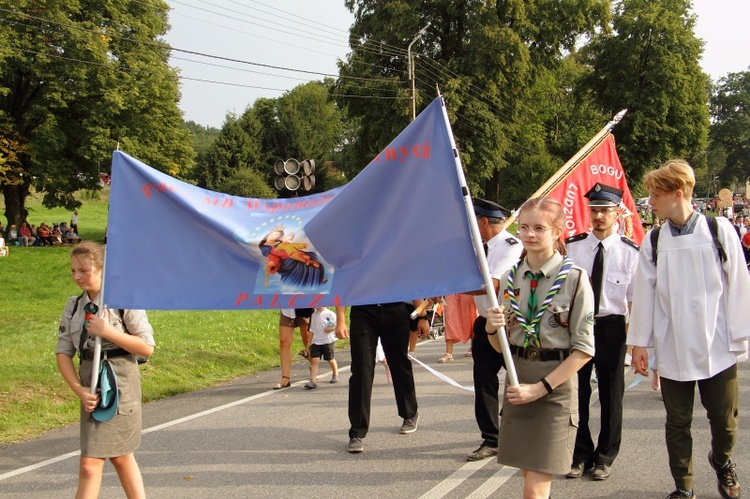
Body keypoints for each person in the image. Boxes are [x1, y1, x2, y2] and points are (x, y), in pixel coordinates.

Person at [629, 159, 750, 499]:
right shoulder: (653, 241)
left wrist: (740, 337)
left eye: (655, 194)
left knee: (725, 422)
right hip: (673, 346)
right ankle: (684, 486)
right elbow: (645, 294)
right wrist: (639, 343)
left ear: (677, 193)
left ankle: (723, 461)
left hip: (717, 343)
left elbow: (739, 283)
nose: (649, 201)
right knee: (677, 422)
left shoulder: (717, 230)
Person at [485, 196, 595, 499]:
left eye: (539, 228)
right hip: (518, 380)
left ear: (557, 231)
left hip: (554, 386)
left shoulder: (574, 279)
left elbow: (584, 349)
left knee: (534, 489)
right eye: (523, 228)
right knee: (527, 474)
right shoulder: (511, 278)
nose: (530, 235)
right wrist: (491, 327)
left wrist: (540, 389)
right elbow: (499, 346)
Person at [56, 241, 155, 498]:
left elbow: (146, 348)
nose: (77, 276)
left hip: (120, 382)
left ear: (102, 271)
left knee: (96, 463)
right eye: (73, 270)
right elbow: (64, 352)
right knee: (118, 458)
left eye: (84, 270)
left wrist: (109, 331)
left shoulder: (124, 301)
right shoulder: (74, 305)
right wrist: (78, 389)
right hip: (91, 384)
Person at [564, 183, 639, 481]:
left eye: (604, 211)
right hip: (579, 327)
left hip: (612, 328)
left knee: (611, 395)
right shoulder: (574, 247)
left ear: (617, 213)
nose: (598, 216)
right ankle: (580, 454)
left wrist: (634, 343)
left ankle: (605, 457)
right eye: (593, 210)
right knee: (576, 393)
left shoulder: (630, 252)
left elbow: (634, 301)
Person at [466, 198, 523, 462]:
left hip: (509, 322)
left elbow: (492, 284)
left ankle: (520, 433)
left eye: (474, 220)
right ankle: (491, 438)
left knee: (517, 379)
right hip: (484, 321)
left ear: (484, 221)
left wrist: (447, 287)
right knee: (484, 381)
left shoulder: (512, 246)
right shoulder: (481, 247)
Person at [335, 299, 429, 454]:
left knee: (399, 364)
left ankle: (409, 413)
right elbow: (345, 285)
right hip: (363, 311)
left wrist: (423, 316)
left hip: (395, 309)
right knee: (361, 370)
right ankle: (357, 432)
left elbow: (409, 281)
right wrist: (340, 319)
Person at [273, 308, 313, 389]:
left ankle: (313, 368)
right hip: (287, 308)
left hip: (305, 306)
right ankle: (285, 378)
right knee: (284, 341)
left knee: (307, 340)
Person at [304, 307, 339, 389]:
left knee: (330, 359)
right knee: (314, 360)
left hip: (328, 341)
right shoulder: (313, 315)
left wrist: (330, 329)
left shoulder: (330, 314)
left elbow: (337, 326)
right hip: (316, 341)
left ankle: (335, 374)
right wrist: (309, 341)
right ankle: (313, 381)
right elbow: (311, 329)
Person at [437, 294, 476, 363]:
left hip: (467, 287)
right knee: (450, 314)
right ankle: (448, 353)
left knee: (471, 314)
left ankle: (473, 347)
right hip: (451, 288)